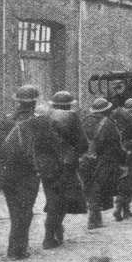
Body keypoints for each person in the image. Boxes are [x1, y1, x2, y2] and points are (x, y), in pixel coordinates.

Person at [0, 85, 53, 259]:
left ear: (17, 101)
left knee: (14, 209)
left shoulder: (3, 121)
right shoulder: (40, 122)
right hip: (28, 173)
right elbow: (48, 148)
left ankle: (15, 248)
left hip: (6, 173)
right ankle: (17, 250)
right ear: (34, 102)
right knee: (25, 211)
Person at [45, 91, 88, 247]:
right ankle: (51, 235)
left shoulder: (45, 116)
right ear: (69, 104)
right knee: (64, 199)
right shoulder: (72, 117)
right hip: (66, 165)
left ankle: (52, 232)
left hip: (47, 165)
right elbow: (83, 143)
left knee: (52, 198)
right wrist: (75, 153)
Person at [81, 97, 127, 229]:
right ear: (107, 110)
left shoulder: (85, 121)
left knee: (90, 187)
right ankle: (94, 219)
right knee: (98, 187)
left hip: (86, 159)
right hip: (103, 161)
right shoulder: (109, 124)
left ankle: (95, 217)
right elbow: (116, 144)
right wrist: (122, 159)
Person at [110, 98, 132, 221]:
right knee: (129, 183)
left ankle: (123, 209)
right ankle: (122, 209)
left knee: (122, 182)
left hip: (119, 155)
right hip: (131, 156)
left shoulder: (116, 121)